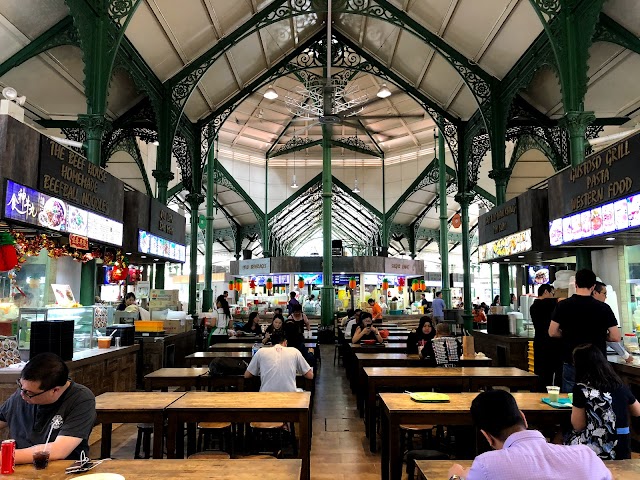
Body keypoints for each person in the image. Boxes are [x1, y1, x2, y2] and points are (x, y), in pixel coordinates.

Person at [447, 390, 613, 480]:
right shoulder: (585, 455)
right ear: (523, 417)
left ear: (487, 436)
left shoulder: (487, 465)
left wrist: (455, 476)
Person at [0, 353, 96, 463]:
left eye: (30, 393)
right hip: (20, 467)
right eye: (21, 386)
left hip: (61, 470)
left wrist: (5, 456)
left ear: (55, 390)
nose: (22, 395)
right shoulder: (23, 393)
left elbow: (58, 451)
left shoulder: (81, 399)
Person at [549, 269, 620, 392]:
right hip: (597, 361)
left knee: (569, 400)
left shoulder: (563, 305)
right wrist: (602, 336)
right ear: (593, 287)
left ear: (576, 284)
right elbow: (615, 336)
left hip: (572, 359)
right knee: (596, 397)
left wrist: (566, 335)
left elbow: (552, 332)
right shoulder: (604, 308)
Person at [567, 344, 640, 460]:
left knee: (562, 437)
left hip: (595, 450)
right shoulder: (621, 386)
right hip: (622, 449)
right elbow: (637, 411)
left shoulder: (581, 389)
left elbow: (578, 425)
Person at [244, 324, 313, 392]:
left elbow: (247, 375)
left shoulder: (261, 352)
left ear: (271, 343)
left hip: (266, 396)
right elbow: (310, 375)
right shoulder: (294, 351)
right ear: (285, 342)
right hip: (289, 397)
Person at [530, 284, 563, 390]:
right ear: (545, 292)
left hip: (539, 342)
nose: (553, 296)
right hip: (551, 344)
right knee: (556, 374)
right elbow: (561, 300)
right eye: (552, 293)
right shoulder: (543, 304)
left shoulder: (533, 306)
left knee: (541, 374)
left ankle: (539, 397)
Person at [592, 281, 633, 364]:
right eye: (604, 293)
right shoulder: (602, 308)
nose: (606, 297)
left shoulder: (572, 306)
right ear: (595, 292)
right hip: (596, 359)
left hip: (573, 359)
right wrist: (626, 356)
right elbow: (614, 337)